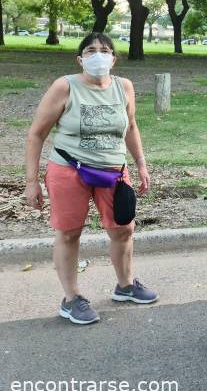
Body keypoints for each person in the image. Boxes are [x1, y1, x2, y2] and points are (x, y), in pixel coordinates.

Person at [24, 33, 157, 325]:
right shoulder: (65, 86)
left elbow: (131, 126)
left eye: (105, 50)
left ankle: (125, 285)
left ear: (113, 58)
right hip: (69, 169)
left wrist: (141, 165)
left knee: (123, 229)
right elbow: (36, 133)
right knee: (70, 232)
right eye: (91, 50)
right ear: (80, 58)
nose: (98, 55)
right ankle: (71, 299)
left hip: (113, 171)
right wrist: (31, 180)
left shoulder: (124, 87)